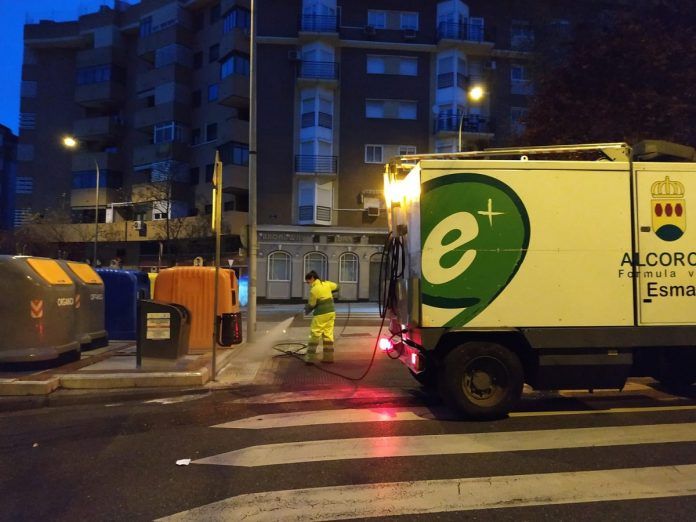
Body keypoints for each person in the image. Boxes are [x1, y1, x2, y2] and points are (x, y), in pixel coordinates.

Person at [304, 270, 339, 364]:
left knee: (314, 336)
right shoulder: (327, 284)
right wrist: (331, 293)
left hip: (320, 314)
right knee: (328, 335)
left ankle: (310, 359)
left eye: (308, 282)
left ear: (312, 278)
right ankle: (328, 358)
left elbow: (312, 304)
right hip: (331, 312)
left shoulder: (314, 290)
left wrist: (306, 310)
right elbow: (338, 286)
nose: (308, 284)